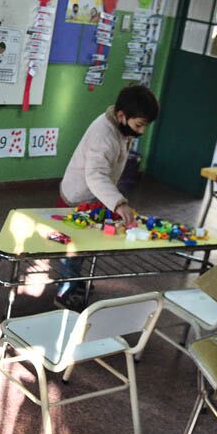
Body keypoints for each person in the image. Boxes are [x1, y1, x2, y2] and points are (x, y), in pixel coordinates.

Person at [55, 85, 161, 311]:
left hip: (94, 196)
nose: (141, 131)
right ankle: (66, 291)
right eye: (139, 125)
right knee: (73, 249)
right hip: (77, 196)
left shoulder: (120, 127)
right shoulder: (104, 134)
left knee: (85, 245)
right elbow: (95, 175)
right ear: (122, 116)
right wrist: (119, 203)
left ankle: (73, 281)